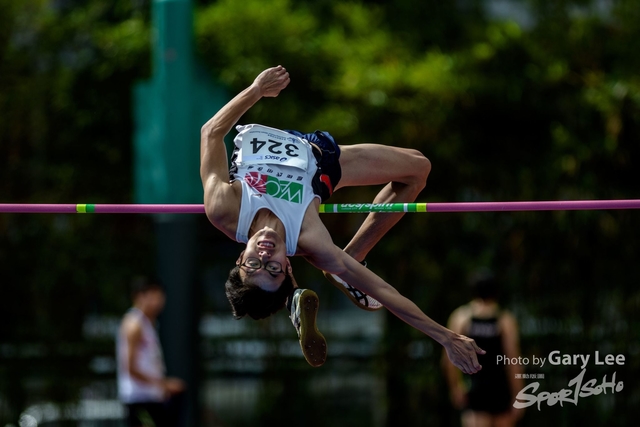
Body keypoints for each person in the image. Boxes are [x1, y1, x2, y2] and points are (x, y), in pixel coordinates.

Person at [200, 65, 484, 373]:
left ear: (241, 257)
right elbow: (384, 292)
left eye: (254, 263)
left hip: (283, 149)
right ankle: (350, 262)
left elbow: (211, 132)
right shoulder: (310, 238)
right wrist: (446, 337)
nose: (265, 255)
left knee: (417, 166)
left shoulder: (224, 209)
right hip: (320, 160)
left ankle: (349, 261)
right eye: (273, 268)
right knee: (419, 169)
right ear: (288, 266)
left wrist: (256, 90)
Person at [442, 269, 524, 427]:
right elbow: (513, 360)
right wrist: (519, 395)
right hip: (501, 389)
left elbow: (448, 359)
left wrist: (455, 387)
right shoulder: (504, 320)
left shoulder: (461, 318)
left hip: (475, 388)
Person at [117, 276, 186, 427]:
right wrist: (163, 384)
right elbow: (131, 368)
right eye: (152, 295)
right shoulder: (134, 324)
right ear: (139, 296)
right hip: (139, 399)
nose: (158, 301)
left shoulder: (148, 323)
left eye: (160, 296)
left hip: (152, 398)